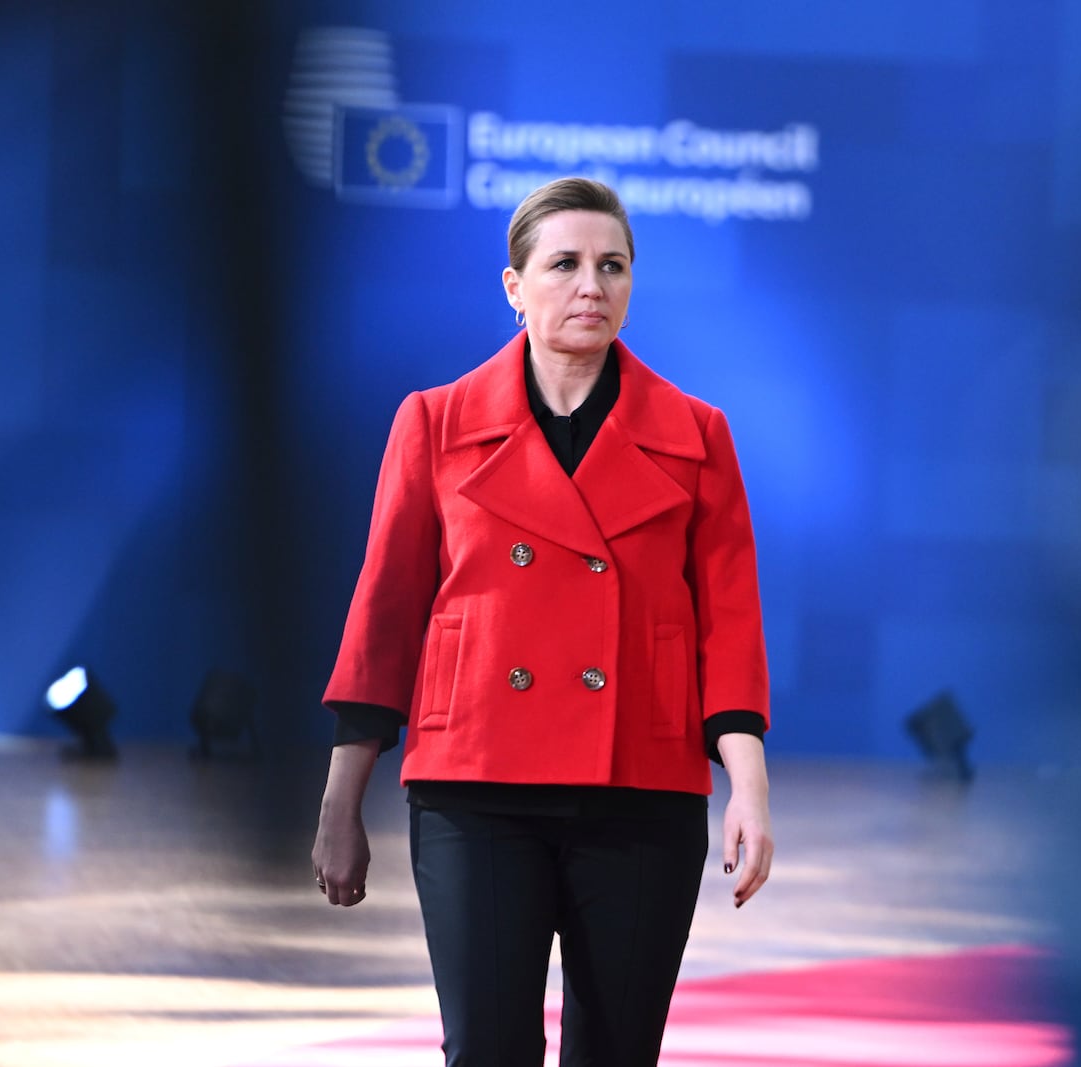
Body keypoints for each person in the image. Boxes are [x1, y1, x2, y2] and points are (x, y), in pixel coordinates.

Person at [310, 177, 774, 1067]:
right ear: (514, 285)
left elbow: (728, 624)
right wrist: (341, 800)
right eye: (564, 264)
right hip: (474, 785)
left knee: (616, 1052)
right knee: (486, 1051)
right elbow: (385, 614)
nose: (591, 285)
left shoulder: (698, 435)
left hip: (641, 787)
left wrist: (747, 789)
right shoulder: (434, 423)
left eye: (613, 265)